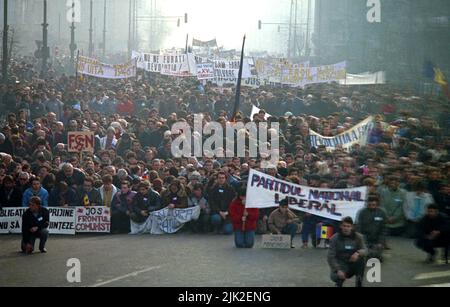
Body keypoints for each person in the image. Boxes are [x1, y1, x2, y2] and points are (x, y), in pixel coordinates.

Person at [328, 217, 368, 287]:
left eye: (348, 226)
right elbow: (330, 257)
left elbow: (365, 250)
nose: (346, 228)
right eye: (344, 226)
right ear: (341, 226)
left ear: (352, 227)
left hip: (352, 264)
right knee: (336, 276)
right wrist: (338, 269)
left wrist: (358, 253)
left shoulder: (358, 237)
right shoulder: (334, 238)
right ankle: (338, 284)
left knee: (361, 260)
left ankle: (359, 284)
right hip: (341, 265)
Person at [356, 195, 387, 261]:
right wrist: (363, 242)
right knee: (364, 254)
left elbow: (384, 229)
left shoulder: (382, 213)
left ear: (377, 204)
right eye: (369, 204)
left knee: (376, 255)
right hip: (365, 238)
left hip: (376, 239)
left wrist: (381, 242)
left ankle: (374, 254)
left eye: (373, 204)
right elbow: (359, 229)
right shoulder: (362, 212)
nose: (371, 206)